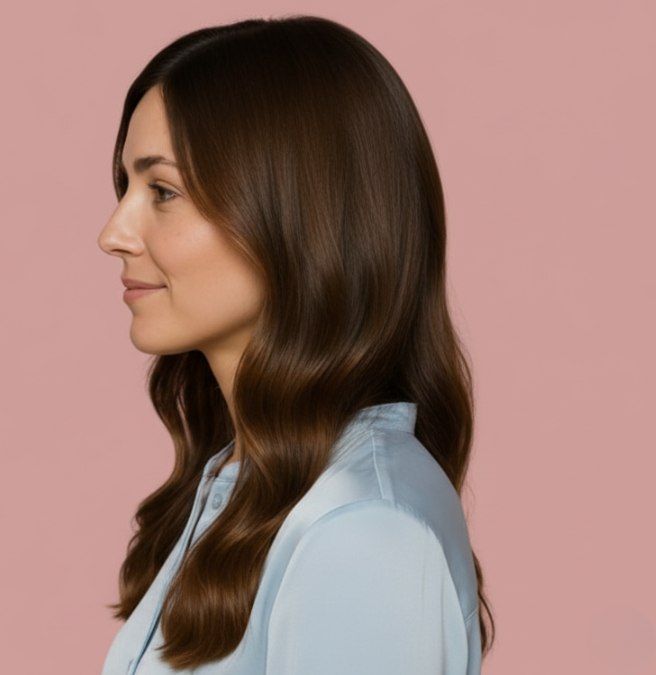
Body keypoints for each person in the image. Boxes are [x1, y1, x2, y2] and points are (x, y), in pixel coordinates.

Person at [95, 15, 496, 675]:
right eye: (126, 188)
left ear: (297, 214)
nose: (113, 233)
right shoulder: (251, 484)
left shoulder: (362, 531)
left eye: (162, 191)